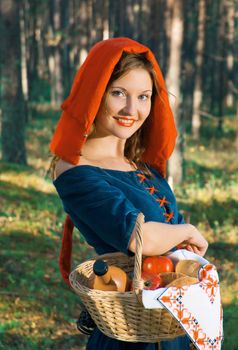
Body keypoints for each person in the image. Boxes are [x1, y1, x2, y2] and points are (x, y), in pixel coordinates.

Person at [50, 37, 208, 350]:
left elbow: (173, 240)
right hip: (129, 334)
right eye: (118, 93)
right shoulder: (76, 171)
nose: (131, 109)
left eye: (143, 97)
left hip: (171, 325)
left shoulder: (141, 165)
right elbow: (139, 238)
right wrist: (187, 230)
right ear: (96, 94)